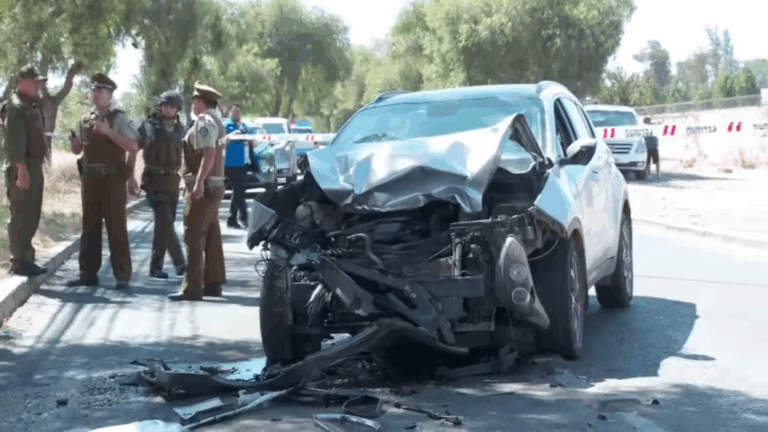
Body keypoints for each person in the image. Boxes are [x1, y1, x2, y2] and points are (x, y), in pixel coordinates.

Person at [67, 73, 140, 290]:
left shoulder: (119, 118)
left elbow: (133, 147)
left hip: (112, 178)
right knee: (89, 227)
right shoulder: (85, 118)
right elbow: (78, 150)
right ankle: (87, 273)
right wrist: (76, 145)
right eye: (94, 91)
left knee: (116, 226)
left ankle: (122, 275)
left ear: (110, 96)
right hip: (90, 178)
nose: (96, 95)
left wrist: (109, 132)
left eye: (101, 92)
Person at [168, 82, 227, 301]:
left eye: (194, 101)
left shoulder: (204, 121)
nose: (192, 104)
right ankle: (213, 283)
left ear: (200, 103)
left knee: (193, 234)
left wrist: (199, 182)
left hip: (204, 186)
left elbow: (208, 153)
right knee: (211, 235)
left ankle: (192, 287)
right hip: (216, 185)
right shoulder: (217, 121)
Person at [1, 64, 49, 277]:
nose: (39, 85)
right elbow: (13, 141)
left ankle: (27, 257)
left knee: (32, 214)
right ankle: (19, 261)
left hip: (33, 166)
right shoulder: (16, 106)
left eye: (40, 82)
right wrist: (20, 168)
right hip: (22, 166)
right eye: (35, 81)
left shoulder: (31, 104)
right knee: (21, 214)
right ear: (21, 81)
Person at [137, 90, 187, 279]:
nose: (167, 109)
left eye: (172, 106)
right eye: (165, 105)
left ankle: (155, 267)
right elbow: (133, 147)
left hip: (172, 181)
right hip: (153, 179)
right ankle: (180, 263)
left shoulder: (181, 129)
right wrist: (130, 178)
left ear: (177, 109)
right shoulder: (149, 126)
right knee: (165, 221)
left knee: (164, 224)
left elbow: (186, 154)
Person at [223, 104, 251, 229]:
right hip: (228, 163)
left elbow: (254, 143)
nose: (236, 114)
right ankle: (241, 218)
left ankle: (233, 218)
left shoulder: (244, 126)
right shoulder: (225, 126)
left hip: (241, 163)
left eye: (238, 112)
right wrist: (234, 134)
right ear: (229, 113)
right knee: (236, 192)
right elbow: (222, 140)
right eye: (234, 111)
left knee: (239, 192)